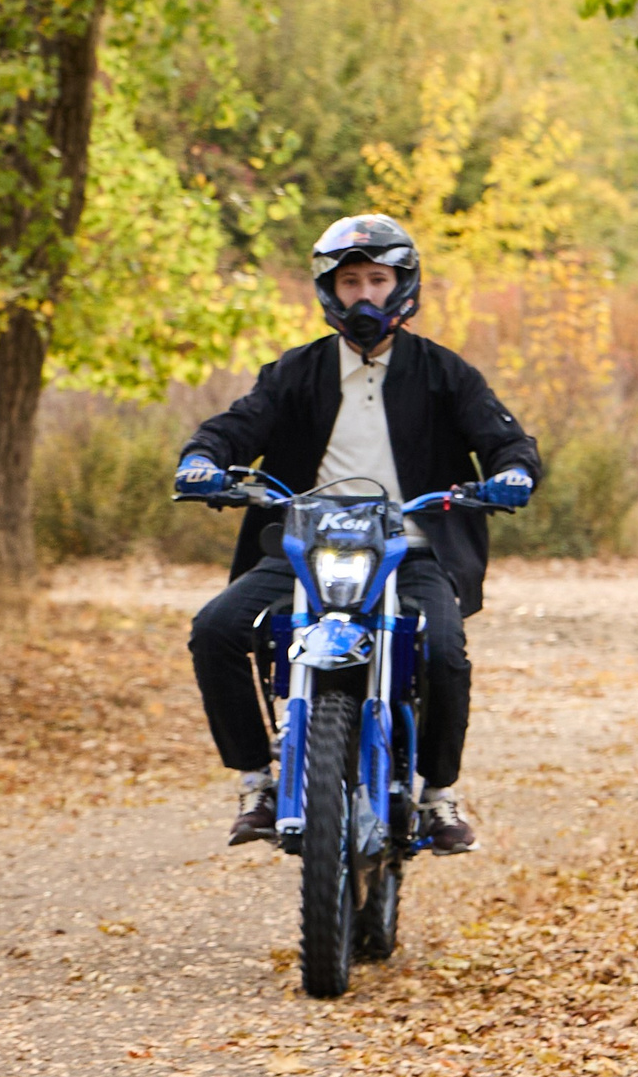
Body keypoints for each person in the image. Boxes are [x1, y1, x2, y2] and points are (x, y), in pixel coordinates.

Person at [176, 214, 541, 855]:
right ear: (330, 290)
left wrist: (510, 473)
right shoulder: (296, 372)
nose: (365, 294)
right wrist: (202, 460)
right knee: (216, 630)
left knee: (445, 654)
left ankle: (437, 796)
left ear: (403, 285)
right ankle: (256, 782)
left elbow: (508, 442)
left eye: (378, 278)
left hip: (412, 552)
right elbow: (234, 427)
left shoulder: (443, 372)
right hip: (306, 550)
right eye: (351, 281)